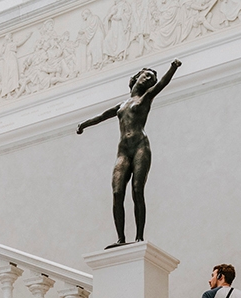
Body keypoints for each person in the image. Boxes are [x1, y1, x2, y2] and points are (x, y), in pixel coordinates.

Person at [76, 59, 182, 247]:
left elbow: (162, 84)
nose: (149, 79)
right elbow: (101, 116)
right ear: (136, 77)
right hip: (123, 151)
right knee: (117, 193)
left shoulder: (146, 98)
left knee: (137, 190)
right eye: (146, 75)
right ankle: (121, 239)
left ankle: (139, 237)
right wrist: (83, 125)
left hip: (141, 147)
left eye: (151, 79)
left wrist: (172, 68)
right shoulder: (122, 105)